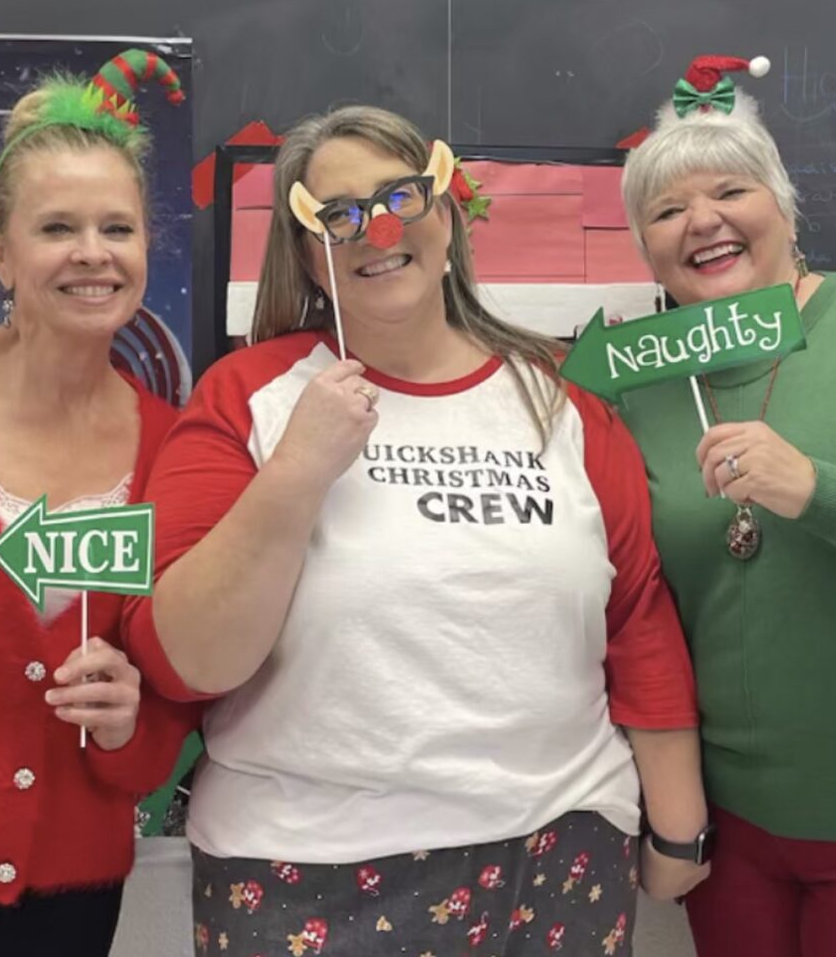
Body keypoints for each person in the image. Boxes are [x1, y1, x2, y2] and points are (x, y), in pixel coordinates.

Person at [124, 104, 708, 957]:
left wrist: (679, 829)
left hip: (558, 855)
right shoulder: (247, 398)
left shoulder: (561, 404)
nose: (377, 231)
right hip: (302, 869)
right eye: (340, 215)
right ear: (307, 254)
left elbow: (638, 621)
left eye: (401, 197)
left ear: (447, 214)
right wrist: (296, 472)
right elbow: (189, 660)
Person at [0, 51, 198, 957]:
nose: (93, 254)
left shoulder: (181, 450)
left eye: (117, 228)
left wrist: (132, 722)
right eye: (58, 227)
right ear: (1, 252)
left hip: (75, 893)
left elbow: (173, 703)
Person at [620, 53, 836, 957]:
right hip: (729, 825)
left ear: (786, 207)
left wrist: (818, 490)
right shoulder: (635, 385)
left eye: (730, 191)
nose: (701, 221)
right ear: (647, 249)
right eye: (667, 211)